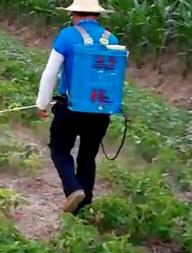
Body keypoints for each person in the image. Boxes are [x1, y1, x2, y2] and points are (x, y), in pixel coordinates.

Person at [35, 0, 118, 214]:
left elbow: (50, 73)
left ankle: (73, 189)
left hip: (71, 108)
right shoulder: (111, 39)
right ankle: (83, 210)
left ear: (74, 14)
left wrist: (42, 104)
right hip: (100, 109)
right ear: (96, 15)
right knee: (87, 157)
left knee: (60, 149)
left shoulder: (68, 36)